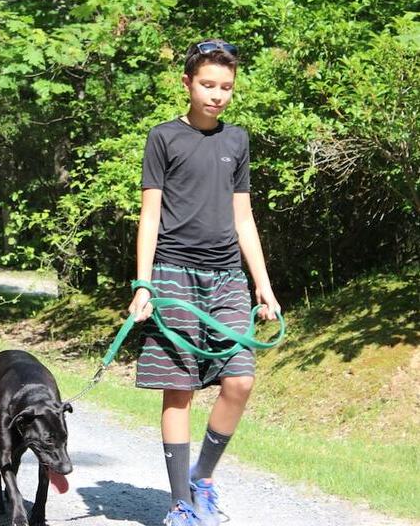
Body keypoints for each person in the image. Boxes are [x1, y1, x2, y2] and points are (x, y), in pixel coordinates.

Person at [128, 39, 281, 526]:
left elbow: (244, 218)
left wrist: (262, 285)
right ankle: (179, 505)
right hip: (173, 273)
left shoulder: (237, 141)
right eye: (208, 85)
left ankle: (203, 479)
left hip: (227, 276)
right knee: (180, 390)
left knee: (240, 379)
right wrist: (143, 284)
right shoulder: (163, 137)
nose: (217, 95)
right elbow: (150, 216)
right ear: (188, 83)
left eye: (226, 87)